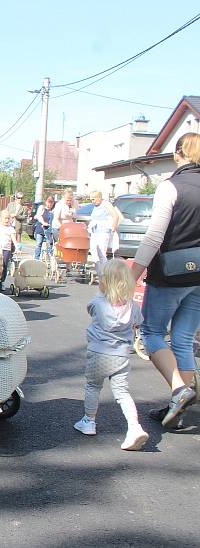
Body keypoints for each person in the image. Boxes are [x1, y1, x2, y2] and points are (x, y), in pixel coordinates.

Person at [129, 132, 200, 429]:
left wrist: (132, 275)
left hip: (170, 275)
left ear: (177, 155)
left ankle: (179, 391)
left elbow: (154, 237)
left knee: (152, 333)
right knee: (183, 339)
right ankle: (179, 407)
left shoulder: (170, 187)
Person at [73, 259, 148, 451]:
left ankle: (89, 421)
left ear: (104, 282)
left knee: (93, 386)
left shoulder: (98, 303)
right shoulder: (132, 306)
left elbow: (90, 309)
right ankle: (134, 426)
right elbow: (139, 321)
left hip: (99, 353)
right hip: (122, 355)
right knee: (122, 393)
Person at [87, 190, 120, 279]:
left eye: (93, 199)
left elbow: (115, 216)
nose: (92, 201)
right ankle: (99, 272)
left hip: (103, 231)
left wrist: (113, 227)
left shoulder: (106, 204)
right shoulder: (95, 207)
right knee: (93, 251)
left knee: (101, 252)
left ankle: (104, 274)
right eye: (91, 200)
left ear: (99, 198)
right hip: (95, 231)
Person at [33, 195, 55, 261]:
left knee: (49, 244)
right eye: (49, 202)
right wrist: (43, 222)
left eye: (51, 202)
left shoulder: (53, 211)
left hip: (48, 230)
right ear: (46, 201)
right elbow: (39, 216)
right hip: (40, 229)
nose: (50, 204)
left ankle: (49, 260)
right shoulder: (42, 208)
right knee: (38, 244)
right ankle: (36, 259)